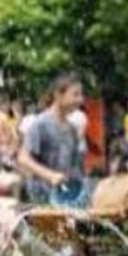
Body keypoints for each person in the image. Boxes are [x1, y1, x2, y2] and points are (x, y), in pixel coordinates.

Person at [17, 73, 87, 206]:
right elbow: (23, 158)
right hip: (42, 198)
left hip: (65, 197)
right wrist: (50, 175)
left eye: (81, 95)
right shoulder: (41, 124)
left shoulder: (72, 128)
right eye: (75, 94)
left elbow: (75, 166)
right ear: (58, 96)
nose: (80, 99)